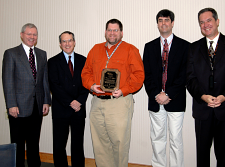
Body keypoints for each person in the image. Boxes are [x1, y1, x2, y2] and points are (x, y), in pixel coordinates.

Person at [186, 8, 225, 167]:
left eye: (208, 20)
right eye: (201, 22)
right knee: (202, 154)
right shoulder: (193, 48)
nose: (205, 25)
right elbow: (190, 79)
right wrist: (202, 96)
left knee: (224, 155)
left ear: (217, 21)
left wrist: (224, 96)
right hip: (202, 109)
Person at [81, 18, 144, 167]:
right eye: (109, 30)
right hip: (97, 102)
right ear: (105, 32)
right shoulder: (95, 49)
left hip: (119, 103)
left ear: (121, 33)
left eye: (115, 30)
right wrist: (91, 86)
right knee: (99, 142)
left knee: (120, 142)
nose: (112, 33)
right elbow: (85, 73)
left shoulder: (130, 49)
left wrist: (123, 90)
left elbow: (139, 75)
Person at [143, 9, 189, 167]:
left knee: (176, 140)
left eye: (166, 20)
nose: (163, 23)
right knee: (157, 139)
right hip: (156, 100)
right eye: (160, 20)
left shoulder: (185, 46)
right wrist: (157, 94)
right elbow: (146, 74)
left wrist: (168, 94)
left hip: (175, 100)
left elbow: (184, 75)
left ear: (172, 23)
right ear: (157, 24)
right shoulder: (149, 47)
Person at [2, 23, 51, 167]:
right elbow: (7, 80)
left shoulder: (42, 54)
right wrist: (11, 104)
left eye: (34, 34)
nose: (32, 37)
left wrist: (46, 101)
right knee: (18, 143)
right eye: (29, 34)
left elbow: (44, 80)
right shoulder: (11, 53)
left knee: (34, 142)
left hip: (37, 107)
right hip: (18, 108)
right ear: (22, 35)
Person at [48, 31, 89, 167]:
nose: (67, 44)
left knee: (78, 145)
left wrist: (79, 101)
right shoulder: (53, 62)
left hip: (78, 110)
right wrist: (70, 102)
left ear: (74, 42)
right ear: (60, 44)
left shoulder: (84, 60)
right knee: (59, 145)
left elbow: (87, 83)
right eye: (64, 41)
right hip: (61, 109)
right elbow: (54, 85)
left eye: (70, 40)